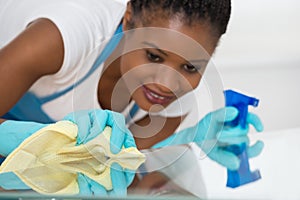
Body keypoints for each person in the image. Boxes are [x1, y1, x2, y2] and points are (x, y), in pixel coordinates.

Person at [0, 0, 264, 196]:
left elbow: (117, 165)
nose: (166, 84)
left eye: (190, 67)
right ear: (128, 21)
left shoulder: (176, 103)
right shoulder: (60, 38)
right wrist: (26, 141)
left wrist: (188, 136)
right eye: (154, 56)